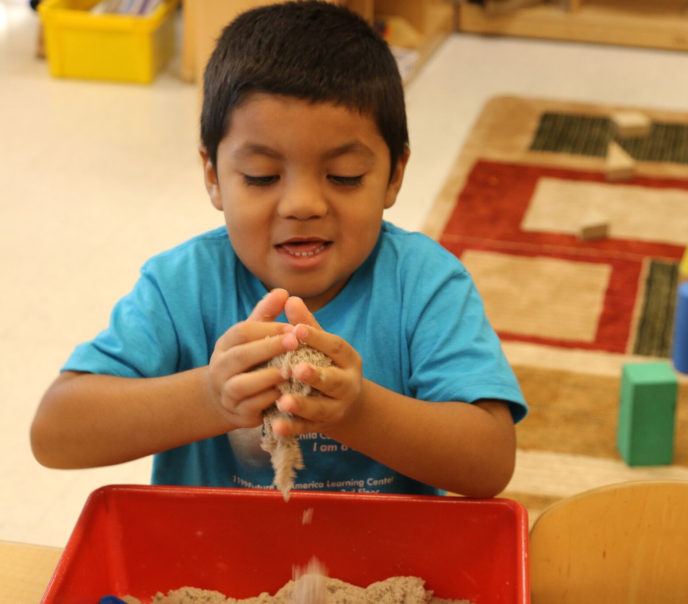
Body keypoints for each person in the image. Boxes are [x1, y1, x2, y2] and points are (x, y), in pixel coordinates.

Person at [30, 1, 527, 499]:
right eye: (262, 177)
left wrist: (359, 413)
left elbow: (489, 463)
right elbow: (56, 434)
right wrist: (209, 397)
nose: (303, 204)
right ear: (214, 177)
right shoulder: (182, 286)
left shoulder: (425, 283)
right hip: (216, 562)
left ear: (394, 175)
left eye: (344, 177)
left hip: (387, 568)